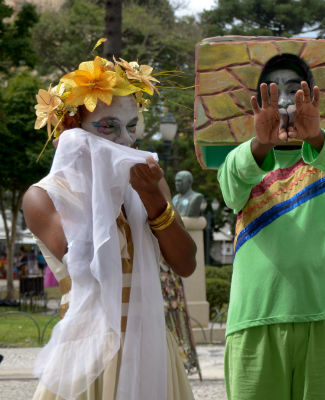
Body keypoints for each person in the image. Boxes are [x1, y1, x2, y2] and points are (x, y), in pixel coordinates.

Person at [22, 55, 197, 400]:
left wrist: (151, 198)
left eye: (131, 127)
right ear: (72, 131)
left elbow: (186, 263)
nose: (124, 141)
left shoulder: (149, 184)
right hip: (89, 355)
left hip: (150, 347)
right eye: (108, 126)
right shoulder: (43, 197)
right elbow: (88, 262)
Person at [217, 53, 325, 399]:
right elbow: (230, 192)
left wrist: (316, 137)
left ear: (311, 96)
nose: (285, 101)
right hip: (253, 319)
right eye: (273, 91)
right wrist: (261, 142)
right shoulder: (242, 159)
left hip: (321, 318)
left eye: (293, 90)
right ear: (258, 101)